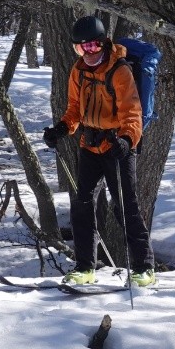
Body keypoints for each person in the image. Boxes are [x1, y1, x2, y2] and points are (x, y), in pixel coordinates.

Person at [41, 16, 156, 287]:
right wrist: (61, 129)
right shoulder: (78, 71)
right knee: (82, 206)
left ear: (104, 43)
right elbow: (74, 111)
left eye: (92, 46)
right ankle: (85, 268)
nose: (88, 53)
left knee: (125, 207)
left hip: (118, 147)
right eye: (81, 49)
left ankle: (144, 269)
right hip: (90, 146)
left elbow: (133, 115)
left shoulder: (120, 71)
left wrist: (127, 141)